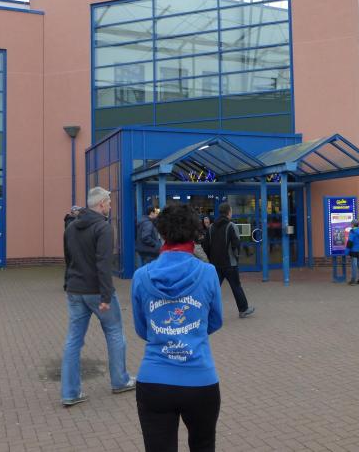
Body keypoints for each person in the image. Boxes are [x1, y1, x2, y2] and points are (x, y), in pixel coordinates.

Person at [131, 202, 223, 452]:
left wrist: (165, 333)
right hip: (200, 379)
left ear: (161, 233)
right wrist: (191, 332)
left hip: (154, 380)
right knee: (203, 445)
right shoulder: (208, 272)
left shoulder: (141, 276)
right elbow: (216, 320)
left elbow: (142, 328)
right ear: (194, 233)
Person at [61, 187, 135, 407]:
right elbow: (103, 264)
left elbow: (69, 259)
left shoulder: (71, 227)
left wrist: (67, 284)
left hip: (75, 291)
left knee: (73, 340)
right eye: (109, 203)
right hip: (96, 292)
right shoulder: (103, 228)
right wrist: (105, 296)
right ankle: (120, 380)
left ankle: (70, 392)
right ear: (102, 204)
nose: (111, 206)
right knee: (114, 332)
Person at [204, 203, 255, 318]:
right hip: (230, 264)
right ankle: (243, 309)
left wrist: (211, 259)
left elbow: (206, 246)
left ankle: (204, 310)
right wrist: (236, 257)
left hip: (215, 264)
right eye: (231, 211)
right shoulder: (231, 226)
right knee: (236, 286)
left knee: (213, 289)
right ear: (228, 212)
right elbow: (236, 244)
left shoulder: (211, 227)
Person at [346, 219, 359, 285]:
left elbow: (350, 242)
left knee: (354, 266)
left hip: (354, 251)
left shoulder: (352, 232)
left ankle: (353, 281)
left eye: (351, 224)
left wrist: (346, 252)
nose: (351, 225)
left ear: (353, 225)